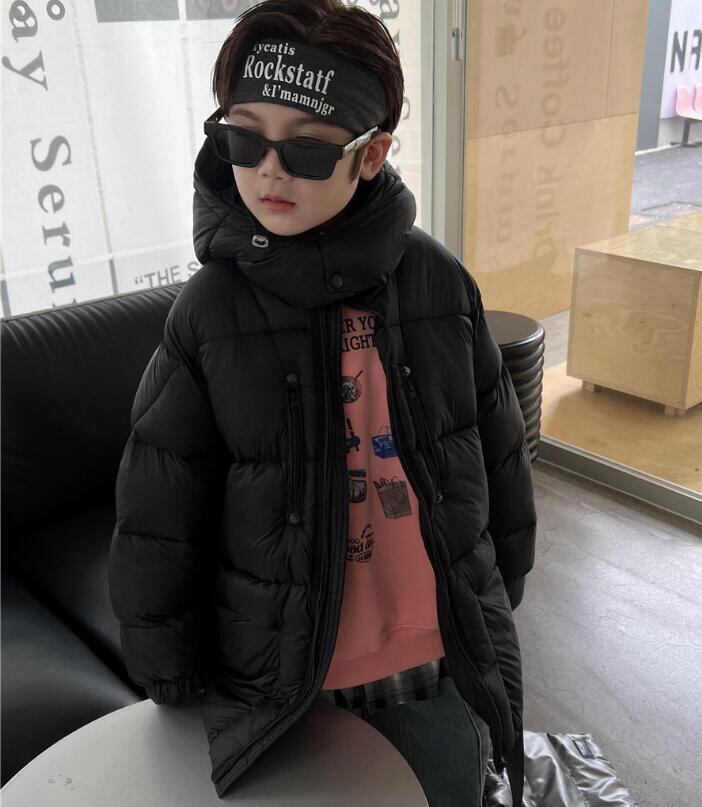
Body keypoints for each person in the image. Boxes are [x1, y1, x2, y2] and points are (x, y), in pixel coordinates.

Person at [108, 1, 537, 804]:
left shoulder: (439, 283)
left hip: (435, 652)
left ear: (371, 154)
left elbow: (495, 448)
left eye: (305, 148)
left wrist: (495, 591)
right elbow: (160, 504)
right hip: (282, 668)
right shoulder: (210, 313)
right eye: (244, 139)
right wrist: (165, 659)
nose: (269, 172)